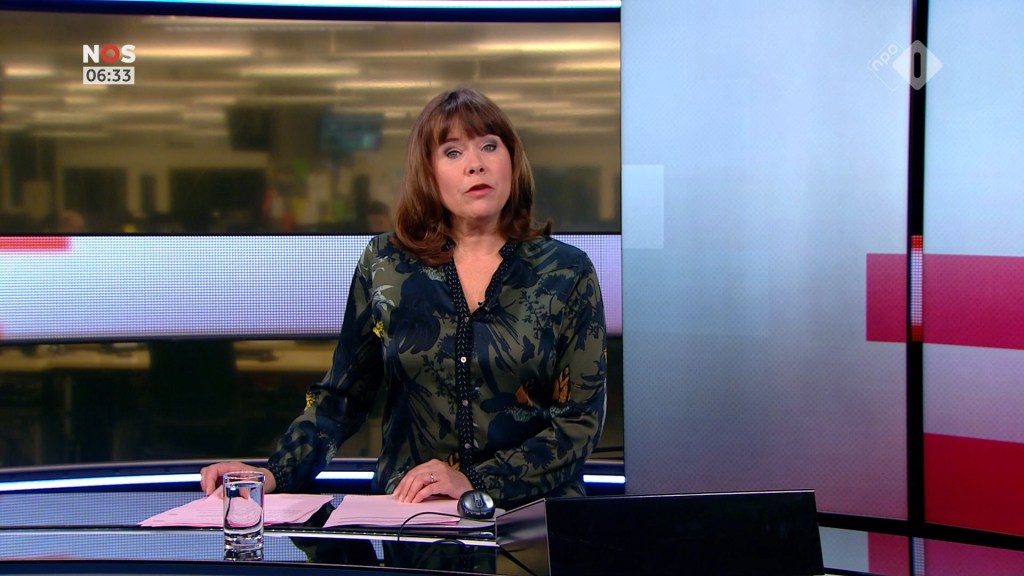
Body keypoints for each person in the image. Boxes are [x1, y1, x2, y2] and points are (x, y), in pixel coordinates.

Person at [200, 86, 607, 511]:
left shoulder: (567, 272)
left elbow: (579, 424)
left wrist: (473, 482)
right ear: (428, 172)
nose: (476, 164)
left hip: (532, 518)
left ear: (512, 160)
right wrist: (273, 473)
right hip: (413, 517)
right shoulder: (386, 264)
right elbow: (342, 398)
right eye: (453, 152)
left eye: (490, 146)